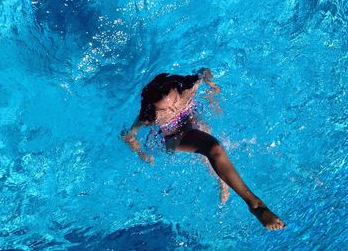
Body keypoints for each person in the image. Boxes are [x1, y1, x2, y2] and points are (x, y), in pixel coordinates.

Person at [122, 68, 286, 230]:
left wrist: (212, 89)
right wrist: (141, 153)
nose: (173, 110)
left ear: (178, 91)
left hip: (191, 121)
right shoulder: (149, 118)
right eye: (164, 109)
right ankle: (255, 204)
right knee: (212, 147)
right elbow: (128, 136)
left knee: (203, 131)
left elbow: (205, 71)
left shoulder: (188, 87)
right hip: (173, 137)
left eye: (175, 102)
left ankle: (222, 179)